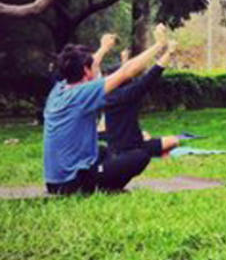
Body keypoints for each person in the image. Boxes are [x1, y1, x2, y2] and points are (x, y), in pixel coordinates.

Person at [43, 24, 169, 195]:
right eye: (92, 66)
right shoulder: (83, 93)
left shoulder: (59, 90)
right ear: (86, 71)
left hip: (54, 181)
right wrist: (159, 45)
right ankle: (107, 189)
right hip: (71, 184)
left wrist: (103, 48)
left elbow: (83, 65)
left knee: (104, 151)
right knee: (139, 156)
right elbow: (126, 72)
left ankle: (101, 181)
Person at [104, 40, 181, 158]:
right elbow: (151, 75)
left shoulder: (106, 96)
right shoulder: (128, 95)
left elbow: (124, 75)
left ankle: (158, 152)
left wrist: (124, 59)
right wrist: (169, 53)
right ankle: (161, 154)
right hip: (135, 148)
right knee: (174, 140)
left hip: (114, 148)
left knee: (145, 134)